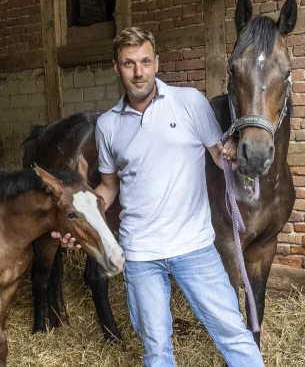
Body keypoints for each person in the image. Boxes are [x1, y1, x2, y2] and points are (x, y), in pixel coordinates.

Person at [53, 27, 261, 367]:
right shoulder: (107, 125)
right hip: (141, 254)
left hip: (194, 248)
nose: (139, 72)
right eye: (129, 63)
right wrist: (80, 222)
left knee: (234, 335)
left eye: (145, 61)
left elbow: (221, 157)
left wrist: (239, 145)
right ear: (116, 67)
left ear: (157, 63)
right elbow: (108, 187)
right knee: (156, 350)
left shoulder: (189, 102)